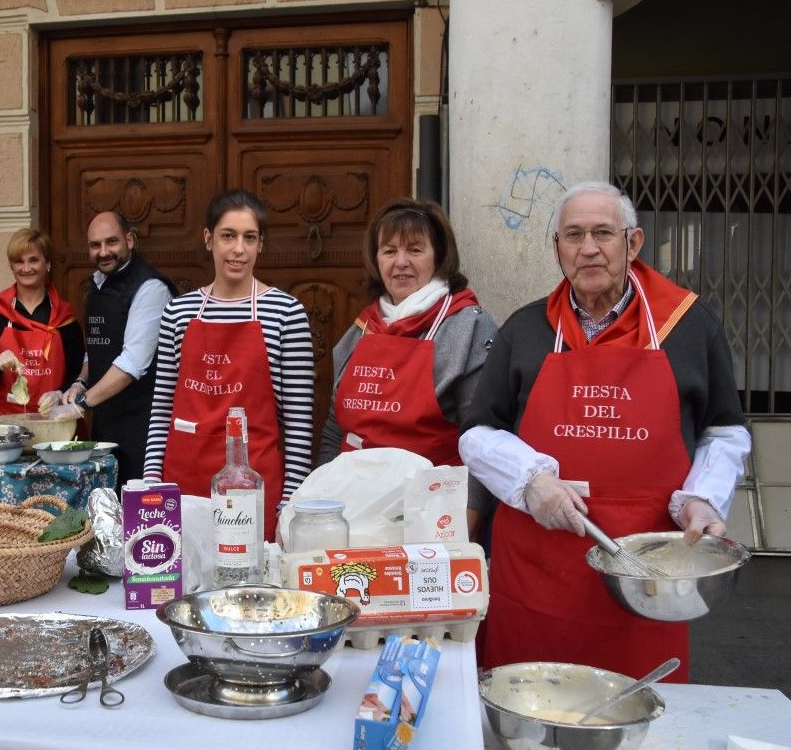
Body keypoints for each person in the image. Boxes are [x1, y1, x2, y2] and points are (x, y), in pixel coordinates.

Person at [458, 181, 751, 683]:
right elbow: (477, 432)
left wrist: (703, 500)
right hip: (537, 571)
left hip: (645, 576)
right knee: (530, 704)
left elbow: (724, 431)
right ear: (557, 249)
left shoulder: (689, 325)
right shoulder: (525, 329)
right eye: (573, 235)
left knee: (643, 713)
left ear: (632, 244)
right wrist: (531, 481)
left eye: (603, 233)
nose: (588, 248)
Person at [317, 200, 498, 540]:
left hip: (432, 519)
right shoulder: (360, 331)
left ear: (438, 256)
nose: (401, 263)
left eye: (415, 249)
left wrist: (464, 526)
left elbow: (483, 441)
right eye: (389, 251)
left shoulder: (467, 329)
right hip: (354, 518)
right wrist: (320, 506)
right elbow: (332, 430)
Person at [142, 189, 315, 539]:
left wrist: (289, 503)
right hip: (182, 484)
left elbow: (298, 423)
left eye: (249, 238)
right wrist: (150, 484)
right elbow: (162, 409)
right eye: (228, 236)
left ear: (260, 244)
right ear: (208, 239)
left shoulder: (285, 313)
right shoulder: (178, 312)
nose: (239, 249)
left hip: (253, 489)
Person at [40, 211, 176, 483]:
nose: (103, 252)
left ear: (129, 240)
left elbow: (132, 364)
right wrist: (79, 382)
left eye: (111, 242)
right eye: (95, 245)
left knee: (139, 510)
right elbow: (98, 348)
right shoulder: (97, 284)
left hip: (145, 426)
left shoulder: (151, 288)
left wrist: (80, 404)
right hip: (106, 419)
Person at [0, 229, 83, 425]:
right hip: (1, 423)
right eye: (19, 261)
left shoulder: (65, 318)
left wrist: (59, 394)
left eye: (33, 260)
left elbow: (78, 372)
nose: (26, 268)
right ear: (11, 266)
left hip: (52, 423)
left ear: (47, 264)